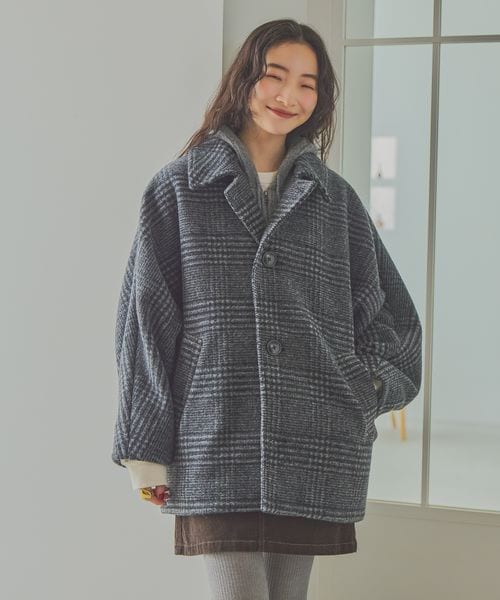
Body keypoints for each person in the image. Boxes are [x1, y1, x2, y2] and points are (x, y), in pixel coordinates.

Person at [111, 18, 422, 600]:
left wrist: (366, 390)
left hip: (316, 442)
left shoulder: (337, 202)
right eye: (274, 76)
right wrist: (144, 449)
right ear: (244, 80)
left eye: (307, 84)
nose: (288, 96)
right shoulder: (178, 190)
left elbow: (394, 321)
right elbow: (146, 322)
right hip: (215, 439)